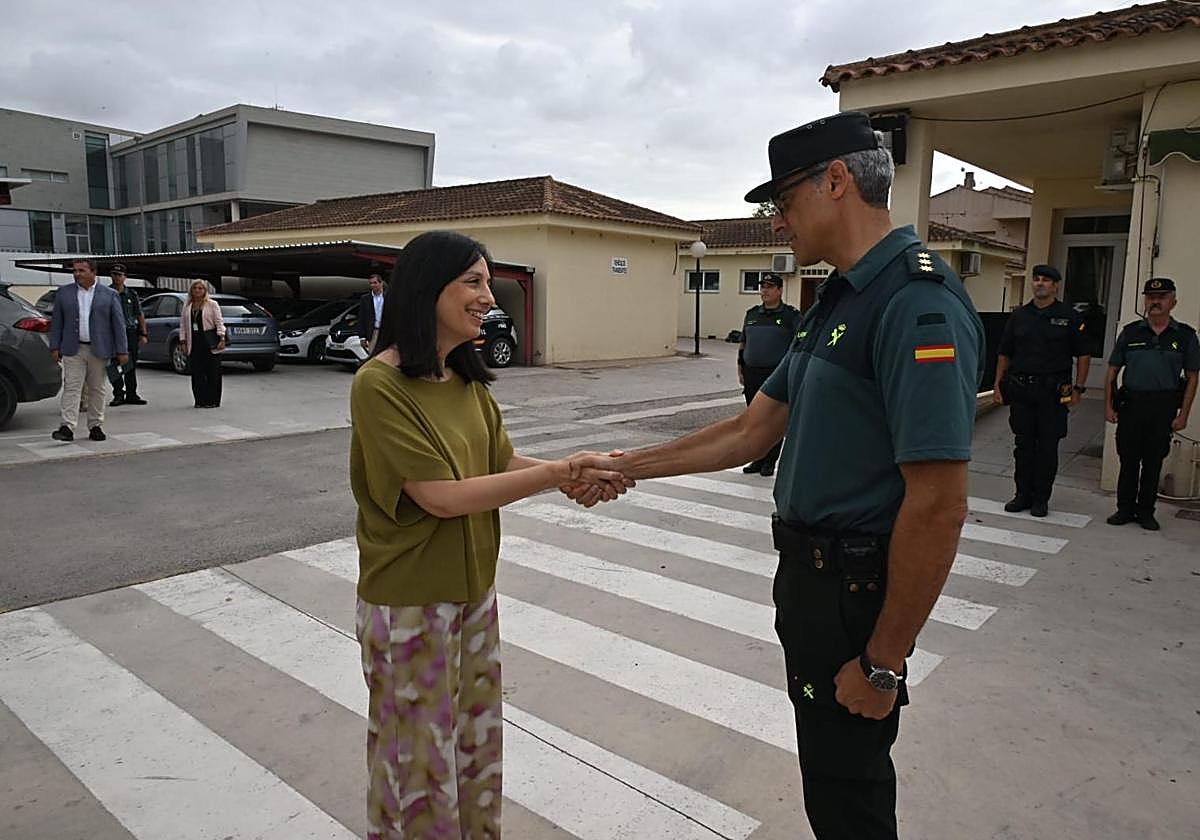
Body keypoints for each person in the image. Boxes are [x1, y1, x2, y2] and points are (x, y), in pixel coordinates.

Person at [569, 112, 984, 840]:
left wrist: (883, 664)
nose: (777, 222)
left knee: (851, 797)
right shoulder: (838, 300)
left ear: (837, 181)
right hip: (812, 586)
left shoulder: (916, 304)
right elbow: (751, 430)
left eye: (784, 201)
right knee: (828, 783)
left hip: (857, 597)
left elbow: (939, 505)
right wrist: (624, 466)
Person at [348, 230, 627, 839]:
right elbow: (440, 496)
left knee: (476, 751)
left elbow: (499, 463)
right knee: (417, 766)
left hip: (474, 593)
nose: (489, 296)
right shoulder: (379, 384)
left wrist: (572, 473)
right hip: (411, 604)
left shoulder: (466, 381)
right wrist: (558, 472)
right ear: (428, 289)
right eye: (473, 282)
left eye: (488, 282)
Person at [992, 264, 1091, 517]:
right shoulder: (1019, 316)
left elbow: (1083, 355)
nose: (1040, 283)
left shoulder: (1069, 317)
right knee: (1023, 445)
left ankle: (1041, 499)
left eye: (1046, 280)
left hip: (1053, 393)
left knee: (1047, 446)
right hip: (1022, 390)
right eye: (1036, 279)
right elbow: (1004, 352)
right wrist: (998, 385)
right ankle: (1022, 495)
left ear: (1055, 286)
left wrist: (1079, 388)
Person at [1104, 277, 1199, 530]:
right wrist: (1108, 406)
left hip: (1162, 406)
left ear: (1173, 302)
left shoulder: (1185, 336)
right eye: (1150, 297)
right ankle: (1124, 509)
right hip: (1132, 404)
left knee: (1153, 461)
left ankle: (1146, 512)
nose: (1155, 302)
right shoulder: (1130, 332)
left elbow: (1192, 377)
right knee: (1128, 460)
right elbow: (1112, 371)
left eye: (1162, 297)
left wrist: (1184, 414)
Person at [48, 258, 129, 442]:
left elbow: (118, 324)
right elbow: (57, 322)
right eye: (75, 270)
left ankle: (95, 425)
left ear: (93, 272)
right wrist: (55, 346)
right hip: (73, 348)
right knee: (72, 387)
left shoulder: (109, 295)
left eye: (81, 270)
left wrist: (122, 350)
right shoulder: (64, 293)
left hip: (99, 349)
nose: (77, 274)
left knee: (97, 389)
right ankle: (67, 427)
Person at [738, 271, 802, 476]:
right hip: (752, 373)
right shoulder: (752, 314)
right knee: (754, 418)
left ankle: (770, 460)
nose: (764, 291)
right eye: (762, 287)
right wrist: (740, 367)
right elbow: (743, 343)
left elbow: (799, 345)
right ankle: (758, 458)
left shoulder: (791, 316)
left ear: (780, 290)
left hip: (776, 374)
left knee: (773, 419)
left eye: (769, 287)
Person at [106, 264, 149, 406]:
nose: (117, 277)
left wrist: (143, 333)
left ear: (125, 277)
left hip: (130, 332)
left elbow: (139, 314)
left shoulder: (131, 294)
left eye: (119, 275)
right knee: (113, 365)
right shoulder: (106, 293)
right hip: (112, 334)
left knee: (130, 364)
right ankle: (118, 393)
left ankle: (131, 394)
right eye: (114, 274)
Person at [179, 280, 226, 408]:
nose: (197, 290)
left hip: (210, 341)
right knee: (197, 373)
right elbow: (183, 324)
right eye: (195, 288)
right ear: (191, 290)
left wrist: (222, 337)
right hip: (194, 342)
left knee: (212, 372)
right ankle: (200, 400)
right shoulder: (187, 306)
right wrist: (183, 341)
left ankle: (213, 400)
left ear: (205, 291)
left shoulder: (212, 304)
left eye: (200, 288)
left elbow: (219, 322)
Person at [357, 272, 386, 353]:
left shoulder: (388, 297)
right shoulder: (365, 299)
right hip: (373, 332)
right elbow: (362, 318)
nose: (372, 285)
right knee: (372, 355)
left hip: (386, 332)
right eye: (371, 283)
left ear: (381, 283)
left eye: (375, 283)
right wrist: (362, 337)